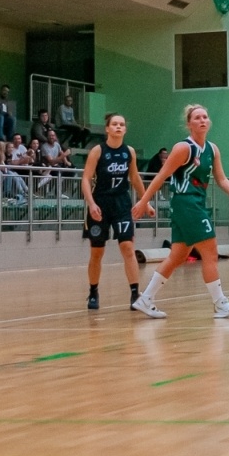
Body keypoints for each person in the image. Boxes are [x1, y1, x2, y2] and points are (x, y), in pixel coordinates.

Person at [130, 104, 229, 319]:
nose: (202, 120)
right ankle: (220, 304)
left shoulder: (213, 149)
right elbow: (161, 176)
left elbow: (221, 179)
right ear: (189, 124)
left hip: (195, 203)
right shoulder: (183, 148)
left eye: (205, 116)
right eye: (197, 118)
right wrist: (143, 201)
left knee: (178, 256)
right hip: (186, 203)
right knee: (210, 252)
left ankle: (145, 298)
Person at [81, 113, 145, 310]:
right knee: (97, 252)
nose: (118, 127)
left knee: (127, 247)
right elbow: (86, 179)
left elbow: (134, 178)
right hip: (100, 205)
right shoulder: (97, 151)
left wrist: (145, 201)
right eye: (115, 124)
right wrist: (91, 204)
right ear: (107, 128)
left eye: (122, 124)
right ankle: (93, 291)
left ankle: (135, 293)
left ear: (125, 129)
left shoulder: (129, 152)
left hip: (122, 205)